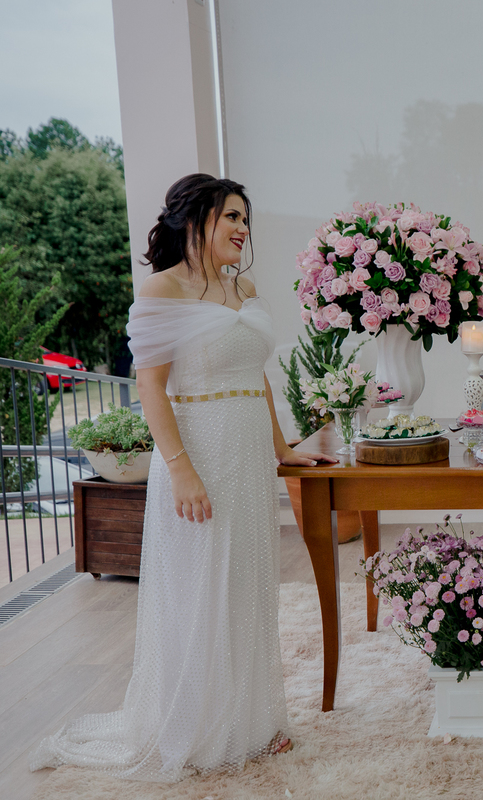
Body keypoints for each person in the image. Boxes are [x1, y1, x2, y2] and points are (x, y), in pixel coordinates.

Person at [31, 174, 335, 782]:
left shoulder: (241, 285)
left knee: (248, 580)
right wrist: (181, 471)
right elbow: (150, 387)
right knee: (201, 585)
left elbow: (259, 377)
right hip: (200, 454)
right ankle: (194, 726)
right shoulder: (161, 290)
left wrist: (285, 451)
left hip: (249, 455)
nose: (243, 229)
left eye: (246, 218)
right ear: (195, 220)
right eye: (231, 216)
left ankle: (251, 719)